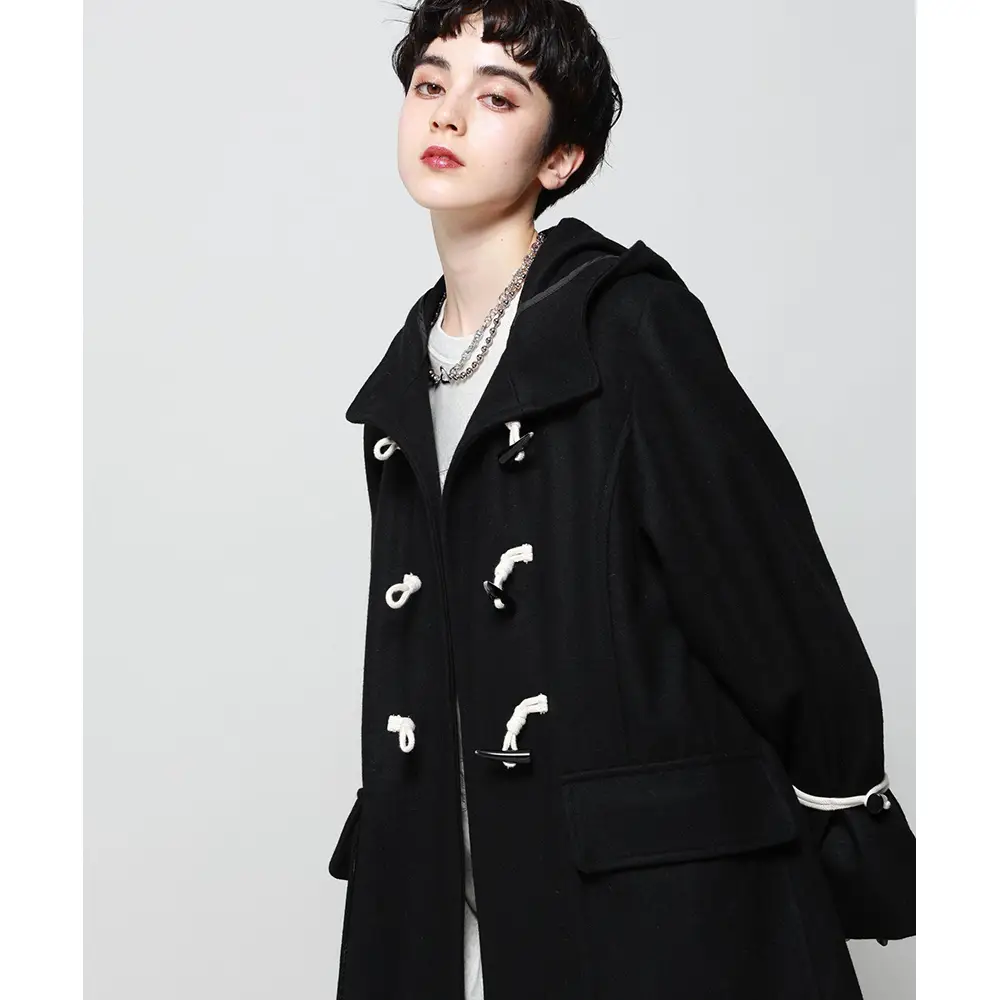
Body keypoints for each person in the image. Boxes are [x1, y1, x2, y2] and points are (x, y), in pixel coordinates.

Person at [328, 3, 916, 999]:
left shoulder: (626, 326)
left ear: (559, 158)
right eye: (430, 84)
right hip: (453, 898)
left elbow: (776, 605)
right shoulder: (402, 383)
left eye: (496, 97)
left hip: (648, 904)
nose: (448, 115)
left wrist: (846, 814)